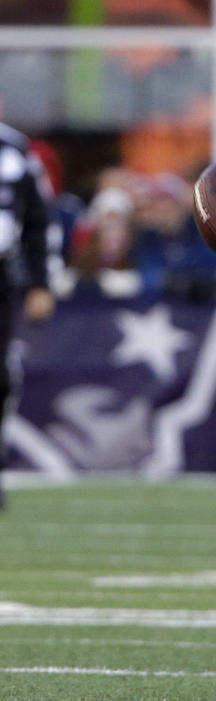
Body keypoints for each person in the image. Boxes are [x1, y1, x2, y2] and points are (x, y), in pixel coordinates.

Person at [0, 122, 56, 508]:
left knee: (0, 376)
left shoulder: (16, 149)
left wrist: (40, 280)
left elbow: (39, 220)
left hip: (1, 274)